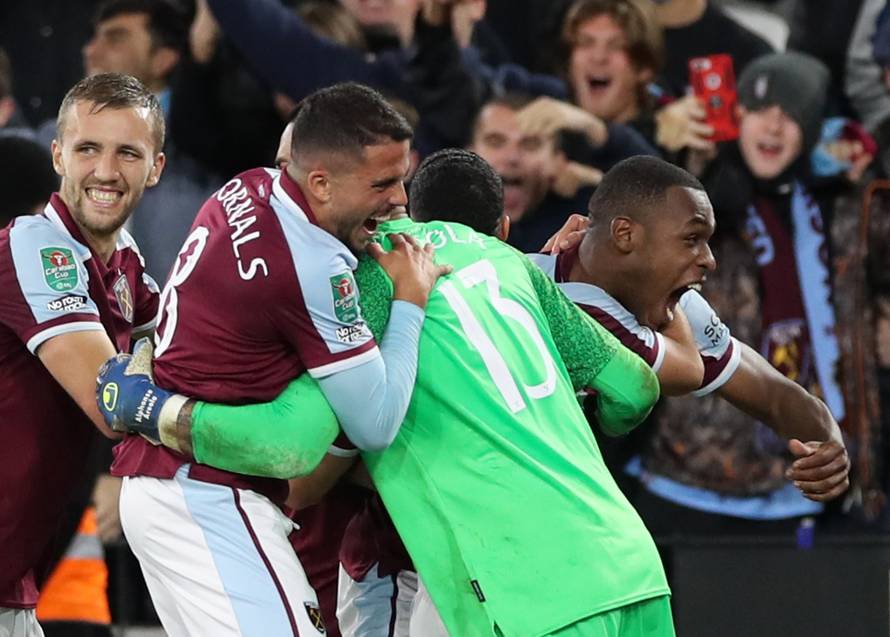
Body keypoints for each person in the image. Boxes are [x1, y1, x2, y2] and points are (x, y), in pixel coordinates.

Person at [99, 148, 670, 636]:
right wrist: (556, 416)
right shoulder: (509, 265)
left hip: (518, 589)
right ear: (502, 227)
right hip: (629, 567)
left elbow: (290, 444)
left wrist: (153, 409)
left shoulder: (371, 279)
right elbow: (636, 389)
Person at [103, 82, 448, 637]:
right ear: (320, 183)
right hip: (208, 497)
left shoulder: (247, 186)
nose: (401, 199)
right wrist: (409, 299)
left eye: (402, 178)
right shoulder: (312, 267)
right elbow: (377, 422)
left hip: (170, 489)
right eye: (382, 183)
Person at [537, 156, 850, 510]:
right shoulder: (563, 300)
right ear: (625, 234)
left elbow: (773, 394)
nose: (709, 259)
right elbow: (688, 371)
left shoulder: (665, 302)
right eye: (691, 239)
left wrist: (828, 440)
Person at [0, 72, 165, 637]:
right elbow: (112, 402)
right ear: (58, 157)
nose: (105, 171)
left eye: (127, 152)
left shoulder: (124, 259)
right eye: (87, 149)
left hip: (13, 580)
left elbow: (185, 355)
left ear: (156, 166)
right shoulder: (32, 244)